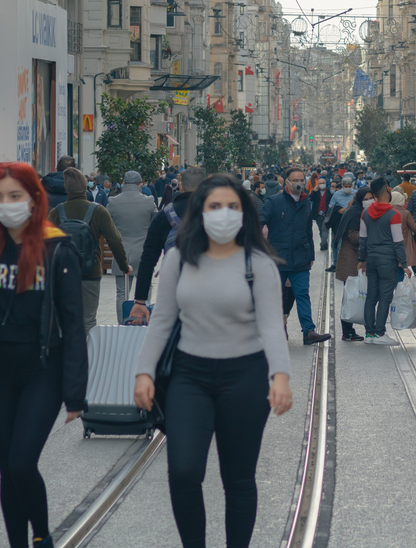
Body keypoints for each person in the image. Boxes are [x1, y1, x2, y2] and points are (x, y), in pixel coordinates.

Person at [133, 174, 292, 548]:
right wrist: (144, 371)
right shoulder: (179, 259)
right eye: (214, 207)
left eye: (232, 207)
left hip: (246, 376)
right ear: (200, 213)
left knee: (238, 477)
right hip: (190, 376)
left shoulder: (259, 264)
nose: (224, 214)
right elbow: (162, 320)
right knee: (183, 471)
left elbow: (271, 326)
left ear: (245, 214)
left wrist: (280, 376)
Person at [0, 162, 87, 548]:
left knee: (21, 463)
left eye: (16, 196)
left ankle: (42, 536)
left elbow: (74, 324)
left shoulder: (57, 249)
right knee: (6, 469)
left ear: (34, 200)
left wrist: (75, 392)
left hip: (43, 370)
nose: (7, 204)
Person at [47, 167, 130, 333]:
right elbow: (114, 240)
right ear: (86, 187)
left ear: (66, 188)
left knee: (63, 319)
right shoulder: (98, 211)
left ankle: (64, 355)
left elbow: (44, 243)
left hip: (62, 274)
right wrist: (124, 266)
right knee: (88, 321)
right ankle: (86, 357)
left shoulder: (56, 212)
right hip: (90, 273)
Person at [260, 166, 330, 345]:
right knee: (276, 297)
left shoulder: (306, 202)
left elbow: (308, 230)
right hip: (278, 258)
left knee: (302, 294)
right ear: (287, 182)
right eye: (296, 180)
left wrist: (311, 254)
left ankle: (309, 331)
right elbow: (257, 221)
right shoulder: (274, 202)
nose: (299, 183)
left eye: (302, 180)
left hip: (300, 258)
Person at [129, 166, 206, 326]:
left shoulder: (163, 216)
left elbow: (148, 260)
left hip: (173, 293)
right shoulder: (217, 214)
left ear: (181, 186)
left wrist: (141, 300)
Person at [357, 178, 412, 345]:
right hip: (387, 260)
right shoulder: (393, 214)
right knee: (385, 297)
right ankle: (380, 333)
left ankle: (369, 334)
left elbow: (362, 239)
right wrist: (404, 264)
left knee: (371, 296)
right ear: (388, 190)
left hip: (371, 260)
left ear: (373, 194)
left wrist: (361, 259)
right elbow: (398, 241)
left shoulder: (364, 213)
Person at [108, 170, 158, 304]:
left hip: (121, 253)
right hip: (143, 252)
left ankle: (122, 322)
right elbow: (156, 224)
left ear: (123, 184)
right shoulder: (149, 201)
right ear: (140, 184)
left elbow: (107, 225)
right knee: (145, 290)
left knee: (122, 293)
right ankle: (143, 320)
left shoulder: (113, 202)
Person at [333, 187, 372, 342]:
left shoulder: (357, 211)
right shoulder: (356, 213)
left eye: (372, 197)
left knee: (358, 295)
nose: (370, 200)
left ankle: (357, 329)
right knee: (351, 296)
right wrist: (372, 234)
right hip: (352, 259)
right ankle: (348, 331)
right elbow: (353, 236)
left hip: (355, 258)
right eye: (367, 198)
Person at [325, 174, 356, 268]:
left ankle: (349, 263)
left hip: (351, 223)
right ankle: (336, 263)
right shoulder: (336, 194)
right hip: (338, 223)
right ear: (342, 186)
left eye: (349, 187)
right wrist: (338, 210)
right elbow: (330, 207)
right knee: (336, 243)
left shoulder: (355, 194)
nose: (347, 188)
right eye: (345, 187)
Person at [396, 189, 416, 287]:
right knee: (401, 266)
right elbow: (415, 229)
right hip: (403, 244)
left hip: (388, 245)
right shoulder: (405, 213)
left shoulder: (386, 212)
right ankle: (399, 287)